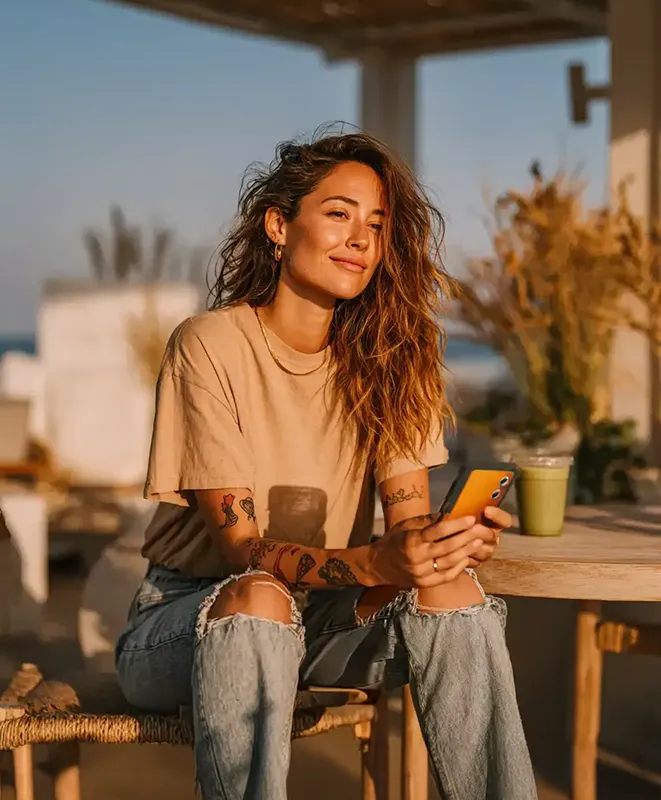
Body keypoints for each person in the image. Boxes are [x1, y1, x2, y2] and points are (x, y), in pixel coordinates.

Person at [115, 130, 537, 800]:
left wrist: (436, 546)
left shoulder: (397, 357)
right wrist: (376, 562)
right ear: (278, 226)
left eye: (376, 224)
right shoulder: (211, 345)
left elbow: (404, 524)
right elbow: (241, 551)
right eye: (339, 214)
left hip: (327, 616)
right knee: (259, 598)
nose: (361, 239)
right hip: (195, 617)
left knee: (452, 592)